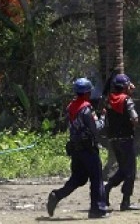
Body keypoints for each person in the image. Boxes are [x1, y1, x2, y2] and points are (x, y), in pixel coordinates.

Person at [47, 78, 109, 219]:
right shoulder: (87, 109)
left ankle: (57, 195)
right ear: (87, 92)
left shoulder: (70, 107)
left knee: (78, 179)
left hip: (76, 149)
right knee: (96, 178)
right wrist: (103, 117)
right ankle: (97, 209)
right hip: (88, 149)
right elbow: (96, 128)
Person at [103, 74, 140, 211]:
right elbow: (135, 118)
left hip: (114, 141)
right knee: (130, 171)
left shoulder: (109, 100)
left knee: (124, 170)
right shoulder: (127, 100)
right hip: (126, 140)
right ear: (124, 86)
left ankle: (106, 188)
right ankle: (126, 201)